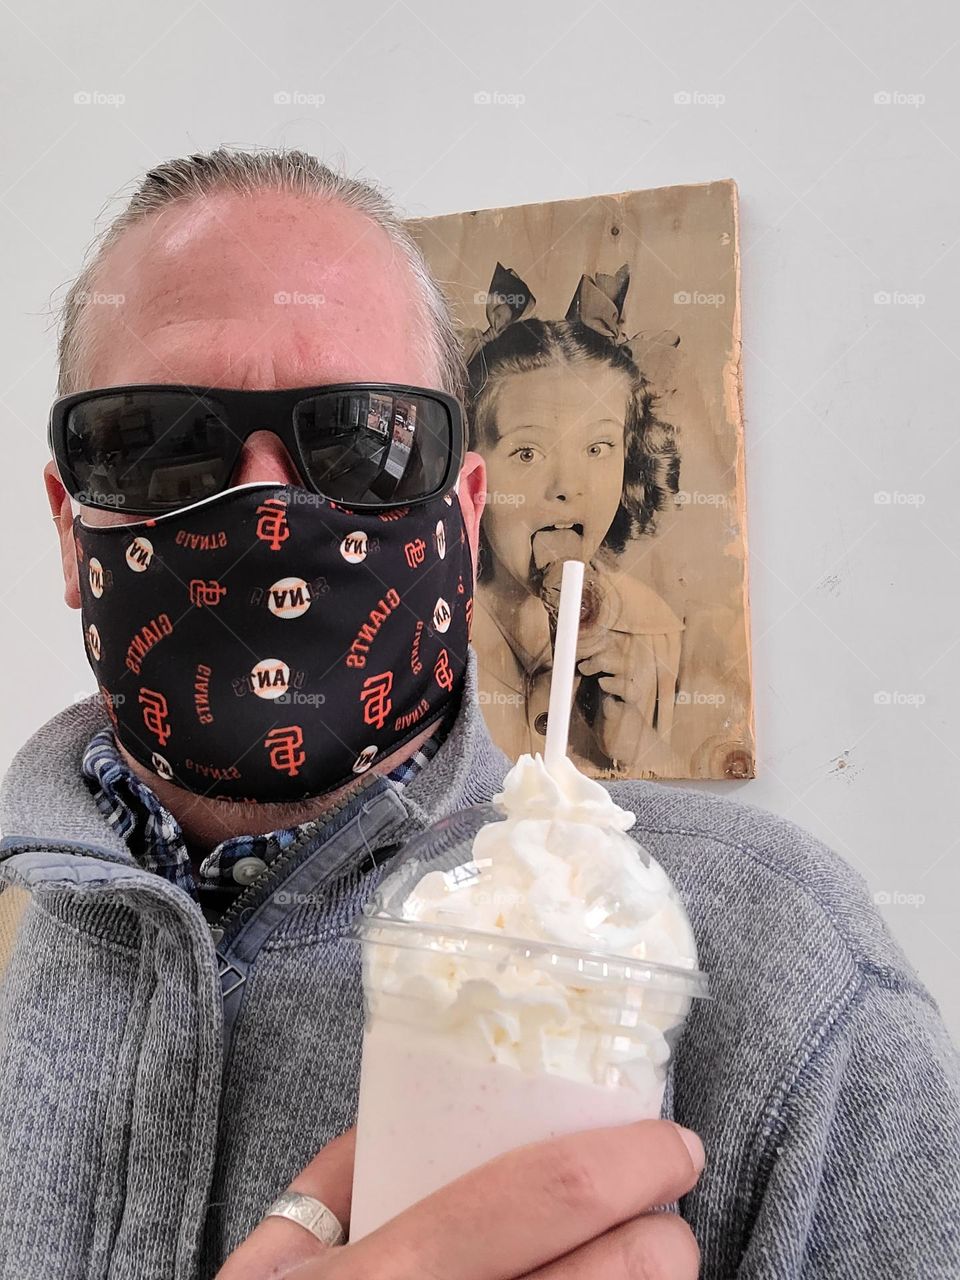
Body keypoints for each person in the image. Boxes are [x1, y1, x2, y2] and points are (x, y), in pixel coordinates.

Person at [0, 146, 957, 1280]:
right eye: (161, 441)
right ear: (71, 526)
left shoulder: (787, 971)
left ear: (461, 513)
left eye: (361, 436)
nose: (264, 503)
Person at [464, 271, 685, 777]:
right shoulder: (429, 635)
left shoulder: (653, 632)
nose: (568, 486)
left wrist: (635, 742)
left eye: (597, 449)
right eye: (528, 451)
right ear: (472, 475)